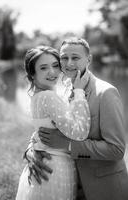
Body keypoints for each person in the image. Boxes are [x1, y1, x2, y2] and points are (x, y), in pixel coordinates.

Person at [25, 37, 128, 200]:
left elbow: (117, 150)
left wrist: (68, 144)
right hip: (68, 182)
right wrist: (31, 150)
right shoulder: (62, 90)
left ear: (89, 59)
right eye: (64, 58)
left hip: (103, 188)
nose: (69, 63)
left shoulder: (106, 93)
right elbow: (51, 126)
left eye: (75, 57)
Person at [16, 45, 91, 200]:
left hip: (48, 164)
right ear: (32, 74)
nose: (52, 72)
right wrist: (79, 92)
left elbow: (41, 130)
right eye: (43, 68)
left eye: (55, 66)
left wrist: (31, 148)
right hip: (55, 169)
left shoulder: (39, 96)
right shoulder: (48, 97)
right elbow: (80, 132)